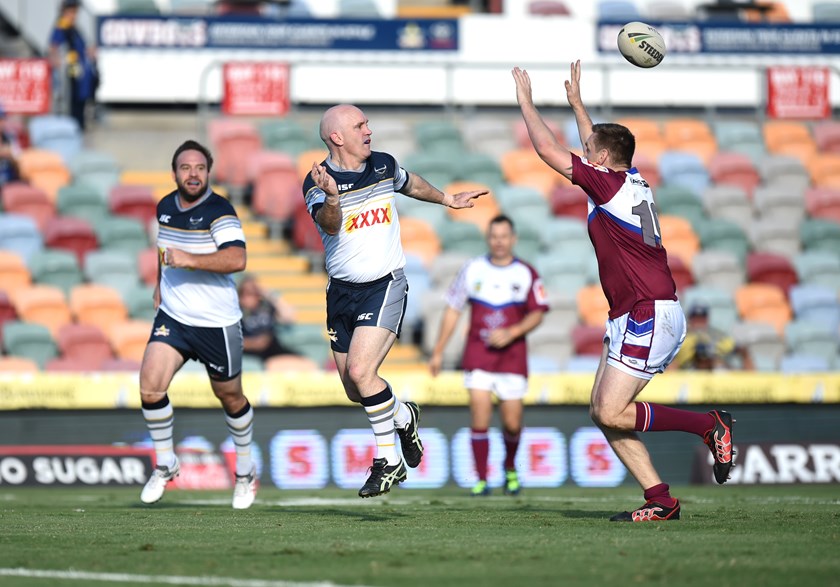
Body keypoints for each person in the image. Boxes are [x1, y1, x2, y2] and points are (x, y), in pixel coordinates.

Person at [512, 61, 734, 522]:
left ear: (601, 160)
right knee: (603, 411)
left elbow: (548, 151)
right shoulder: (625, 180)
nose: (584, 150)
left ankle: (708, 426)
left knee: (613, 411)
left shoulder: (607, 183)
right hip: (636, 310)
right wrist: (577, 106)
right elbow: (599, 146)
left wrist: (527, 104)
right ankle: (661, 500)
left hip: (646, 310)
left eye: (588, 149)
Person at [303, 103, 487, 498]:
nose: (369, 129)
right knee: (355, 389)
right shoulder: (317, 181)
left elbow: (410, 182)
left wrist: (446, 199)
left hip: (384, 284)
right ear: (337, 137)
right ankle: (404, 416)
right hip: (341, 293)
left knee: (362, 374)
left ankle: (388, 463)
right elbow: (329, 225)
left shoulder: (382, 165)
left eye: (367, 122)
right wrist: (333, 198)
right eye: (360, 125)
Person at [139, 140, 257, 510]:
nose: (193, 174)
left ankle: (245, 471)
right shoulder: (164, 207)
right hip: (174, 316)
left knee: (230, 396)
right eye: (185, 168)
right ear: (174, 173)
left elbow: (237, 259)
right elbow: (164, 253)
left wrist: (189, 259)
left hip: (216, 323)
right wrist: (160, 286)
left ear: (209, 172)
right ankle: (165, 464)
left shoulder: (219, 210)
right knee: (150, 388)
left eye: (200, 168)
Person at [429, 214, 549, 497]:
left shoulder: (526, 273)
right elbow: (453, 310)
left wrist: (513, 332)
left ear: (513, 239)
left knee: (511, 422)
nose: (499, 241)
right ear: (488, 239)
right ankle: (481, 478)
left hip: (512, 357)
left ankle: (509, 468)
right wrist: (438, 351)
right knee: (479, 415)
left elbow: (539, 312)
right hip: (479, 353)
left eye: (504, 236)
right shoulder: (473, 269)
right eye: (494, 236)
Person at [48, 0, 98, 131]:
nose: (75, 15)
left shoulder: (73, 27)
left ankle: (80, 123)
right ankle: (74, 125)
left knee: (81, 95)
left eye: (76, 11)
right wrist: (57, 60)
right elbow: (54, 46)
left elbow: (81, 46)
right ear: (65, 11)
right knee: (73, 95)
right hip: (71, 66)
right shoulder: (63, 25)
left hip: (79, 66)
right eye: (72, 11)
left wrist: (90, 52)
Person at [238, 273, 301, 360]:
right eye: (247, 293)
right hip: (249, 352)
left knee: (300, 361)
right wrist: (253, 343)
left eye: (255, 292)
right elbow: (232, 341)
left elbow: (289, 317)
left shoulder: (265, 307)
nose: (251, 297)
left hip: (272, 349)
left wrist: (269, 294)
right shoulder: (236, 311)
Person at [672, 304, 754, 371]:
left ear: (707, 319)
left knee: (723, 365)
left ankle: (751, 383)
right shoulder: (681, 339)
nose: (699, 322)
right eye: (696, 319)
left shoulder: (718, 336)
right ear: (689, 320)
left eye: (702, 319)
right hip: (687, 370)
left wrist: (713, 353)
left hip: (714, 369)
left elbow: (740, 349)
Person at [0, 105, 21, 186]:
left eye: (2, 119)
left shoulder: (10, 137)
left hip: (9, 181)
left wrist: (11, 154)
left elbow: (18, 156)